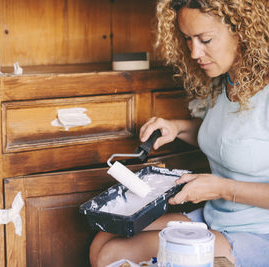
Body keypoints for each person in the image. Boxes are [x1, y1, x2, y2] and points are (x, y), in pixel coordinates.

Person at [89, 0, 269, 266]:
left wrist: (221, 188)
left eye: (205, 39)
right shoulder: (226, 81)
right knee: (103, 239)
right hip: (217, 217)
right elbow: (233, 140)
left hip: (258, 233)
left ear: (241, 30)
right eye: (188, 39)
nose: (195, 52)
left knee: (113, 253)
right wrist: (177, 128)